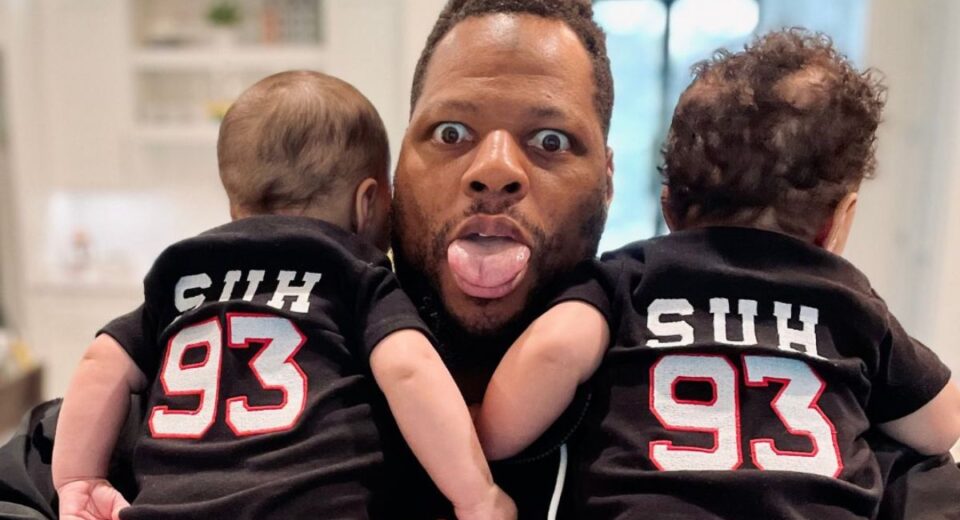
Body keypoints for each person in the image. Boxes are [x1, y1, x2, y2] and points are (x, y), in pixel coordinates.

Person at [1, 2, 959, 519]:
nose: (495, 173)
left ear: (616, 184)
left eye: (550, 143)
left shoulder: (819, 423)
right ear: (388, 181)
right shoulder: (178, 384)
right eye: (451, 132)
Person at [50, 70, 514, 520]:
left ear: (234, 204)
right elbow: (410, 372)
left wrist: (77, 480)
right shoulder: (350, 271)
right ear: (366, 202)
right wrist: (477, 496)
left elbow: (99, 365)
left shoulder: (181, 277)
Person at [565, 30, 960, 518]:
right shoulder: (848, 301)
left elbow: (551, 354)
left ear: (669, 206)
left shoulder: (628, 279)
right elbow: (942, 425)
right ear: (837, 221)